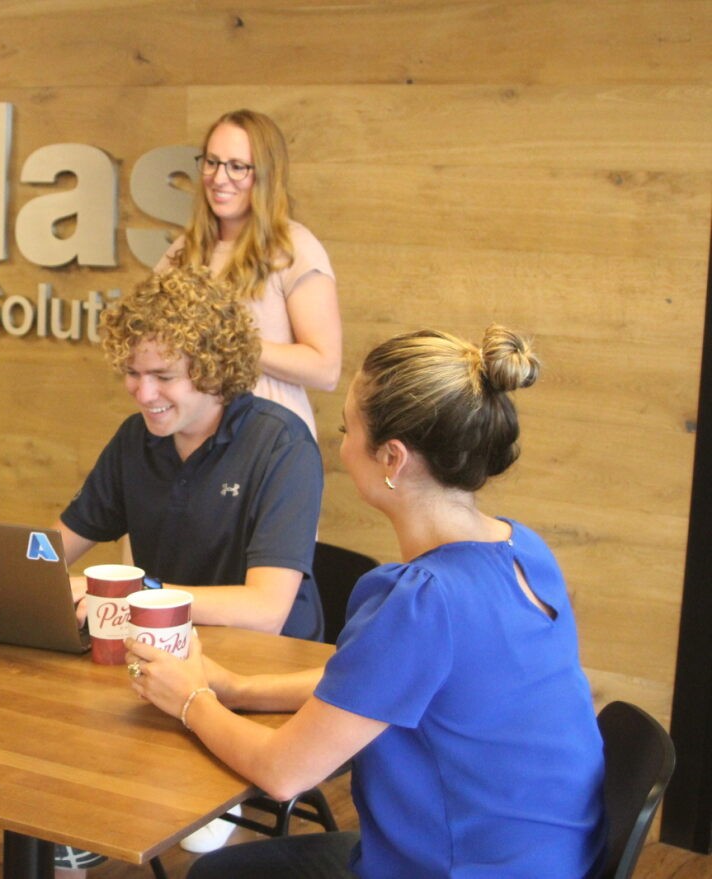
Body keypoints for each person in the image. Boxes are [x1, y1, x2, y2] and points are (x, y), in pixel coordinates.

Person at [126, 326, 606, 878]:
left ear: (392, 458)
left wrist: (192, 702)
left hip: (462, 868)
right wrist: (236, 689)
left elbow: (284, 774)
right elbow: (383, 680)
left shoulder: (422, 603)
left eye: (346, 429)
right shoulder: (524, 550)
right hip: (553, 860)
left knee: (214, 874)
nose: (341, 446)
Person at [59, 265, 324, 640]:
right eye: (133, 373)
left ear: (214, 370)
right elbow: (53, 547)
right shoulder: (136, 438)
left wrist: (131, 595)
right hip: (164, 645)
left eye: (164, 377)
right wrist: (20, 568)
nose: (143, 393)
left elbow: (265, 610)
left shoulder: (281, 445)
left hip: (263, 662)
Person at [159, 108, 341, 437]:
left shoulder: (294, 248)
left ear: (266, 174)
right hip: (195, 438)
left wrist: (231, 342)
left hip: (267, 438)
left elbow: (325, 369)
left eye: (237, 167)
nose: (219, 177)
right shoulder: (183, 250)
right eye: (212, 162)